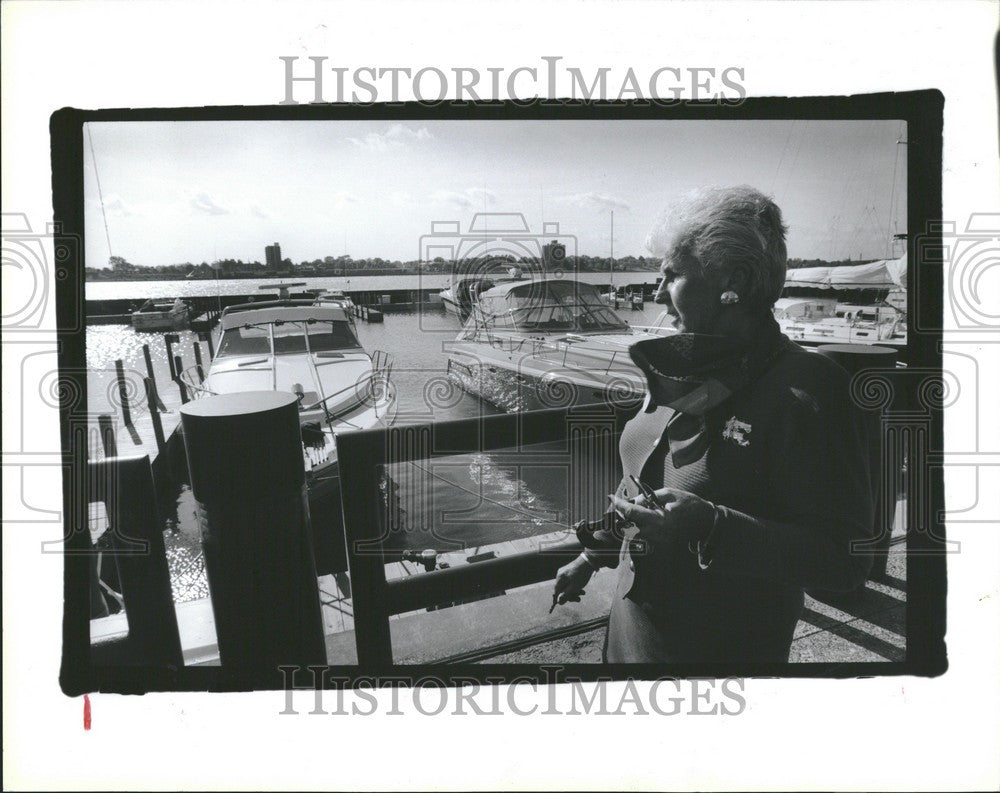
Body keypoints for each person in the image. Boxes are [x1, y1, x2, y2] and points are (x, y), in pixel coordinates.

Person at [552, 186, 875, 663]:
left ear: (734, 280)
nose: (657, 292)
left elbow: (846, 561)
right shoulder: (680, 363)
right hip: (629, 638)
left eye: (673, 275)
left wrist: (712, 527)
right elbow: (642, 484)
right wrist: (592, 556)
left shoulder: (809, 387)